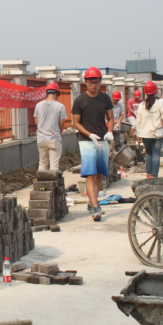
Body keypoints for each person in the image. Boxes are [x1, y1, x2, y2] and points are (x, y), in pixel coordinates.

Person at [71, 67, 114, 222]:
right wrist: (89, 134)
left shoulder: (105, 98)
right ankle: (96, 207)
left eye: (96, 82)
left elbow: (110, 118)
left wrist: (110, 131)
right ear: (85, 82)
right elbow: (75, 122)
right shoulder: (80, 100)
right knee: (90, 173)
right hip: (86, 140)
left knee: (99, 173)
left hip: (102, 139)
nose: (93, 85)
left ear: (100, 82)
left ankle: (92, 202)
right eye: (90, 82)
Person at [136, 82, 163, 178]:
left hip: (145, 134)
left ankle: (149, 174)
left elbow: (138, 122)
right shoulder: (159, 104)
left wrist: (138, 135)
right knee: (156, 155)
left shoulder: (141, 105)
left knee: (148, 153)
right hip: (157, 134)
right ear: (155, 92)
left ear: (145, 93)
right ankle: (154, 175)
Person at [33, 83, 67, 171]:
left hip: (41, 139)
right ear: (57, 93)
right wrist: (60, 132)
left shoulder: (38, 105)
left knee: (42, 163)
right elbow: (62, 123)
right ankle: (53, 179)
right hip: (54, 138)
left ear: (46, 93)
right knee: (54, 165)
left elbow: (36, 122)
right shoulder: (60, 106)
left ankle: (41, 180)